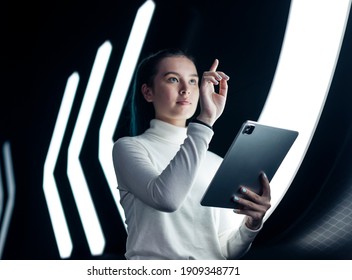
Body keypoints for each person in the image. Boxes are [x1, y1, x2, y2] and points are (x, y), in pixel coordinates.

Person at [112, 49, 271, 260]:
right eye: (173, 79)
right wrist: (205, 120)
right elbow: (167, 199)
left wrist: (252, 224)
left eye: (194, 81)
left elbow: (225, 249)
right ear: (148, 92)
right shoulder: (129, 148)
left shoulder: (216, 163)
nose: (186, 89)